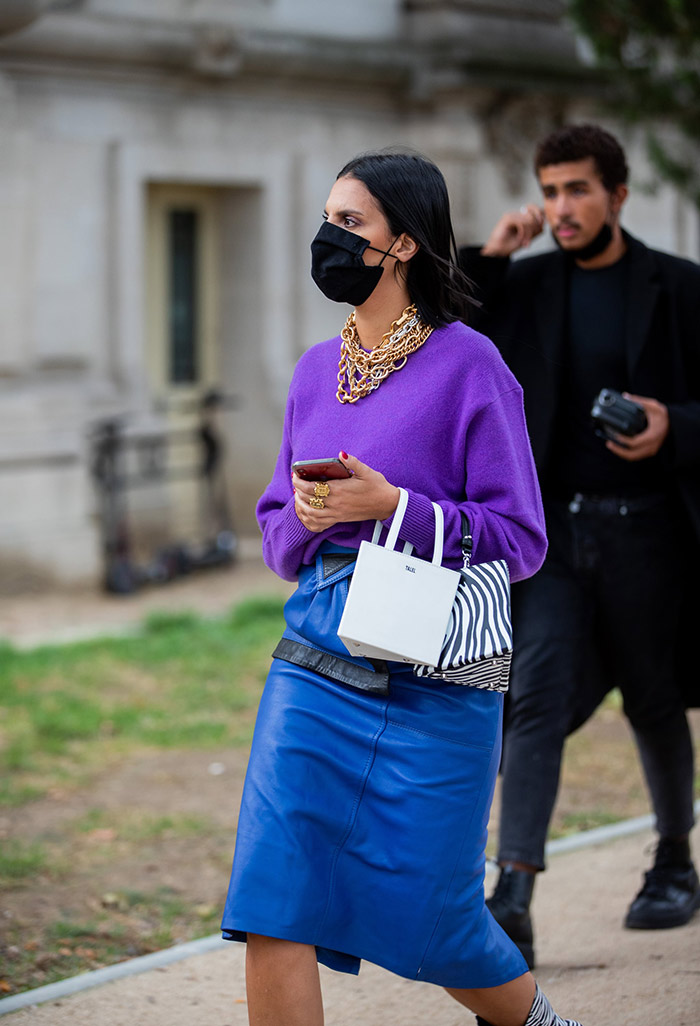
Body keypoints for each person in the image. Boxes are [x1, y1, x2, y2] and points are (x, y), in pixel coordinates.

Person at [220, 151, 585, 1026]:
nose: (330, 237)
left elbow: (523, 539)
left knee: (441, 924)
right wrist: (312, 513)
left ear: (406, 245)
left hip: (435, 675)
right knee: (274, 896)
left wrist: (397, 506)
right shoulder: (314, 371)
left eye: (352, 224)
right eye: (329, 218)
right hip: (314, 662)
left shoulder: (473, 367)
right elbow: (276, 536)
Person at [459, 123, 700, 970]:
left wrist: (676, 426)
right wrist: (490, 254)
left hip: (651, 535)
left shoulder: (679, 286)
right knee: (533, 698)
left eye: (578, 190)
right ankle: (513, 893)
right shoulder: (524, 284)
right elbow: (446, 333)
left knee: (654, 699)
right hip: (553, 533)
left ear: (618, 196)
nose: (561, 207)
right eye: (550, 190)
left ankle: (675, 858)